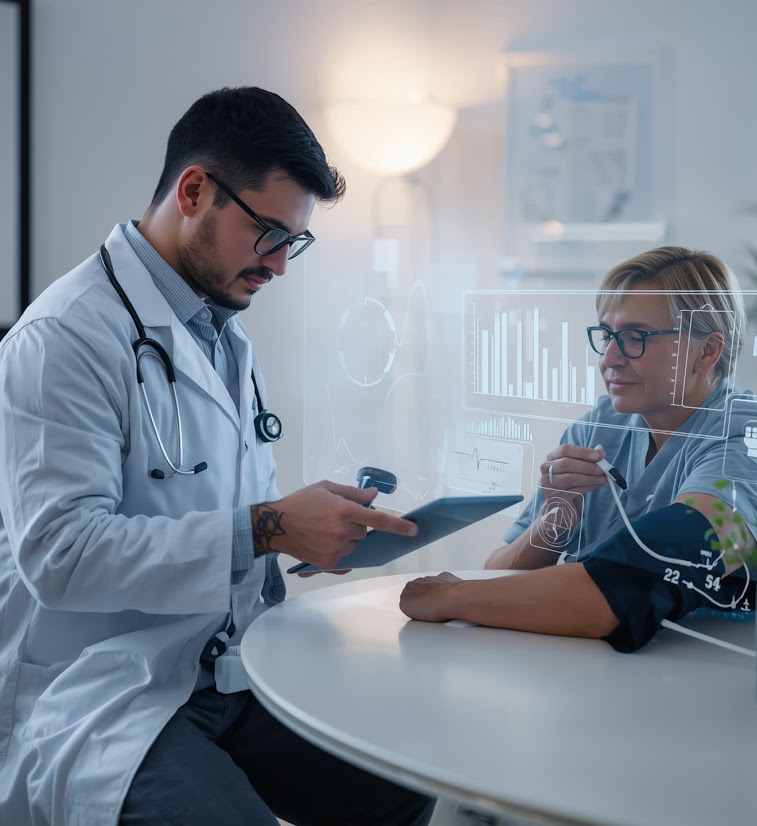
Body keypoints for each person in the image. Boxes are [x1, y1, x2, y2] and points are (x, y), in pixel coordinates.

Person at [0, 87, 434, 826]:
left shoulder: (217, 329)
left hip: (224, 671)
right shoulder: (64, 338)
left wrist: (305, 533)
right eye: (269, 233)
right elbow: (60, 554)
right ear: (194, 190)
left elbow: (208, 510)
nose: (281, 265)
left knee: (399, 778)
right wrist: (266, 527)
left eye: (294, 241)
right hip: (107, 692)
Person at [400, 247, 757, 652]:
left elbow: (625, 592)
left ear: (706, 351)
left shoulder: (751, 445)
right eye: (607, 335)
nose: (609, 359)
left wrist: (453, 599)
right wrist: (556, 518)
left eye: (635, 338)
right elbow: (494, 574)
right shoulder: (601, 427)